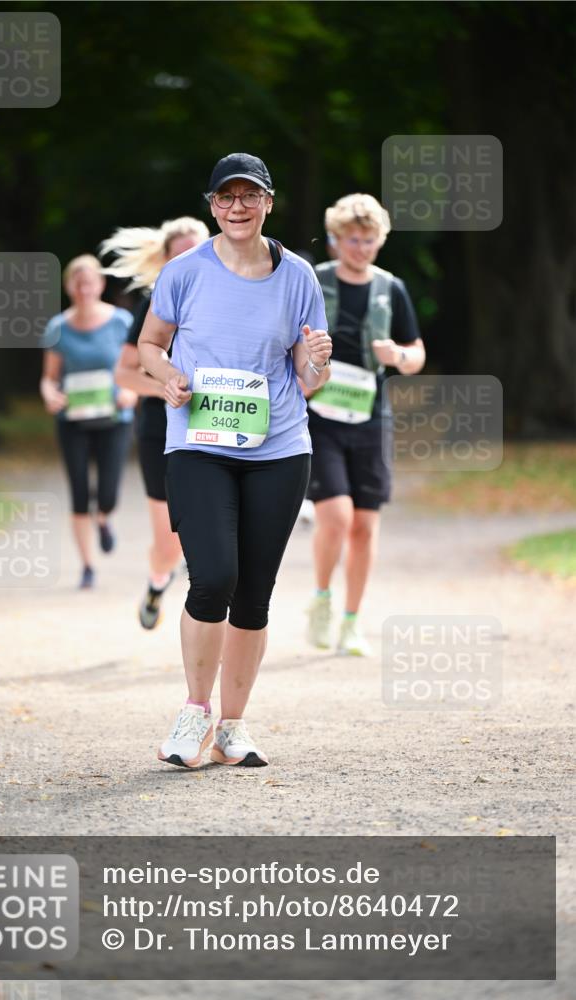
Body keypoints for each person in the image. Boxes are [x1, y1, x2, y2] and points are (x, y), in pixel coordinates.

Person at [137, 153, 332, 768]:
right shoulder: (183, 271)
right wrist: (167, 376)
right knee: (214, 575)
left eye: (249, 196)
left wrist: (318, 360)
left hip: (279, 448)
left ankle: (232, 727)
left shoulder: (298, 275)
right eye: (226, 198)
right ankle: (193, 712)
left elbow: (308, 379)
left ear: (269, 202)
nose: (237, 207)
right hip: (198, 445)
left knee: (253, 595)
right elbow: (149, 343)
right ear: (212, 205)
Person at [305, 194, 425, 654]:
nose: (360, 248)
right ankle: (321, 598)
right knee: (335, 516)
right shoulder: (316, 281)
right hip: (321, 416)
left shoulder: (390, 288)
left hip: (372, 417)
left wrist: (398, 356)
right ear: (336, 240)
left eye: (369, 240)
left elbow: (416, 354)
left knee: (365, 526)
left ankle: (352, 621)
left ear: (380, 240)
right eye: (352, 240)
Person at [101, 218, 210, 628]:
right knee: (169, 545)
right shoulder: (155, 305)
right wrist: (165, 386)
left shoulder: (234, 298)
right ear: (165, 262)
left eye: (196, 250)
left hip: (217, 429)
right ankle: (157, 581)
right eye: (178, 254)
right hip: (161, 434)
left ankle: (214, 623)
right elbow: (124, 374)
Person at [40, 255, 137, 589]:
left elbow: (137, 369)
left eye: (89, 282)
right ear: (69, 287)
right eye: (77, 283)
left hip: (115, 417)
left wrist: (130, 392)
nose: (83, 289)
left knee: (107, 492)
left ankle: (105, 518)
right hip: (73, 420)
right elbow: (49, 378)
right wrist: (50, 394)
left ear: (100, 285)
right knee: (79, 491)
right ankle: (87, 565)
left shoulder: (121, 322)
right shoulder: (58, 327)